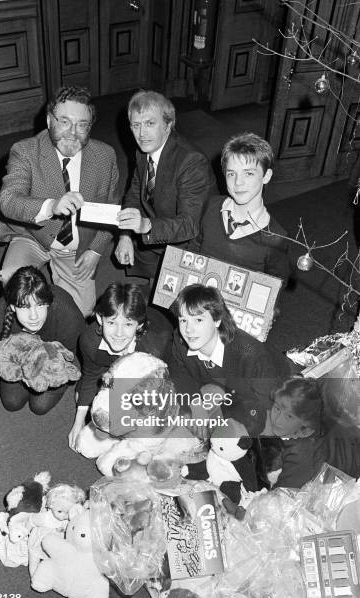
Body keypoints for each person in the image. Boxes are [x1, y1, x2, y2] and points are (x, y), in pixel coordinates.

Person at [0, 85, 119, 317]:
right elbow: (9, 199)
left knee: (80, 314)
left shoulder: (105, 156)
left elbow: (111, 209)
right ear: (49, 120)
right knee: (13, 282)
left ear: (90, 126)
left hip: (76, 246)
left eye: (82, 125)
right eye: (64, 121)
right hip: (32, 235)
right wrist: (51, 206)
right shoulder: (25, 151)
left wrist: (95, 250)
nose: (72, 133)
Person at [115, 89, 216, 282]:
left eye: (150, 124)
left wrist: (146, 225)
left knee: (178, 304)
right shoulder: (143, 152)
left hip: (190, 244)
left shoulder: (191, 161)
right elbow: (134, 195)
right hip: (157, 228)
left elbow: (189, 225)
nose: (142, 134)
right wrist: (125, 235)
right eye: (136, 125)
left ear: (168, 125)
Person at [68, 282, 172, 451]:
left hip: (149, 375)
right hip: (111, 367)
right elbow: (90, 375)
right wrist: (77, 423)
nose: (118, 333)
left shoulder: (155, 349)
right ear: (99, 318)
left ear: (139, 324)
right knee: (86, 409)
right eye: (111, 323)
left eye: (128, 324)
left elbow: (164, 392)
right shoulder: (89, 339)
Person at [168, 284, 282, 437]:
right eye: (183, 320)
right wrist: (195, 403)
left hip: (254, 408)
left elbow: (267, 409)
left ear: (217, 321)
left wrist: (226, 426)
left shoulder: (251, 355)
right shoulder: (180, 340)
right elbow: (178, 369)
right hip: (217, 395)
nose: (189, 330)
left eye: (199, 320)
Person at [194, 132, 291, 284]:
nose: (238, 182)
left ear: (266, 176)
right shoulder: (210, 206)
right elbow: (195, 245)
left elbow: (274, 288)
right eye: (231, 174)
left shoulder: (276, 238)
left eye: (249, 173)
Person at [0, 266, 85, 415]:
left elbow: (72, 353)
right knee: (11, 402)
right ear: (13, 307)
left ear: (47, 302)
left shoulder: (69, 315)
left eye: (39, 305)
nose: (34, 317)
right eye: (25, 307)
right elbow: (4, 354)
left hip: (54, 360)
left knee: (39, 406)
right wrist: (25, 373)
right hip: (21, 360)